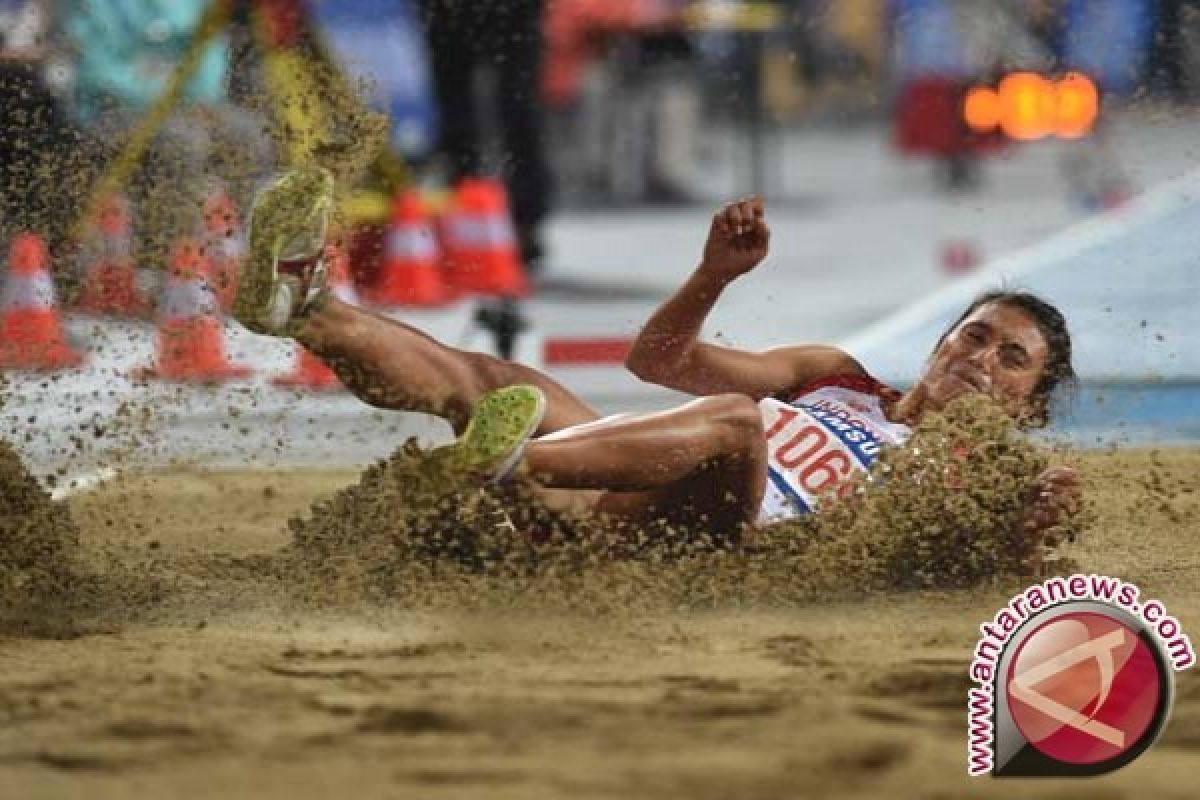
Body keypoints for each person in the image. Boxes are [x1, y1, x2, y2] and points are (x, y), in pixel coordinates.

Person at [233, 168, 1081, 559]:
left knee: (739, 424)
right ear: (941, 343)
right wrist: (713, 277)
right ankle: (307, 310)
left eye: (1013, 360)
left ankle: (503, 466)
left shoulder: (983, 476)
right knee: (499, 381)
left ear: (1029, 408)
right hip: (624, 469)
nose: (982, 360)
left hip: (707, 541)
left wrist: (1029, 523)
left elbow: (1002, 557)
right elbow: (658, 359)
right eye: (975, 336)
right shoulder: (836, 377)